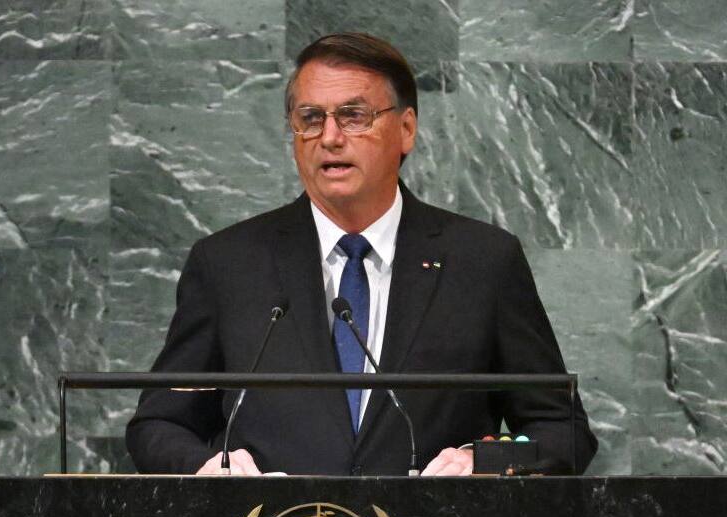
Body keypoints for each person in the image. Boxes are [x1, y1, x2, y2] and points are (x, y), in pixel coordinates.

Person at [126, 32, 597, 476]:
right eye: (311, 119)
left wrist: (487, 461)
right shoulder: (228, 264)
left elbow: (562, 431)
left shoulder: (483, 261)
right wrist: (208, 468)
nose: (330, 137)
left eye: (354, 116)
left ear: (406, 129)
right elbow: (161, 424)